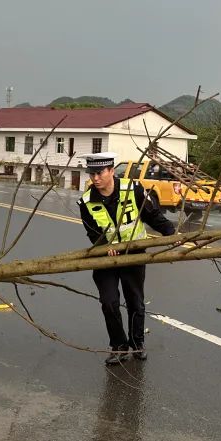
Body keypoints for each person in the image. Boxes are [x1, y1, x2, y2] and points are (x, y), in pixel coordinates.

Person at [78, 152, 176, 365]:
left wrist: (172, 233)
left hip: (134, 255)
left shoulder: (133, 189)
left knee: (135, 302)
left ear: (111, 171)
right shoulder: (86, 201)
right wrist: (105, 247)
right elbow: (93, 234)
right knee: (109, 302)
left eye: (99, 173)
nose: (95, 178)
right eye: (91, 174)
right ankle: (119, 346)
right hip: (105, 259)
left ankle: (137, 343)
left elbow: (153, 216)